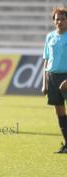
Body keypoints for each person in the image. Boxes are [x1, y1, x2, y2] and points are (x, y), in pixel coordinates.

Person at [42, 7, 67, 153]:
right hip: (52, 77)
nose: (60, 22)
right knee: (59, 111)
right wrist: (44, 83)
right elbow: (46, 60)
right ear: (54, 21)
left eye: (63, 19)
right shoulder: (50, 36)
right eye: (57, 19)